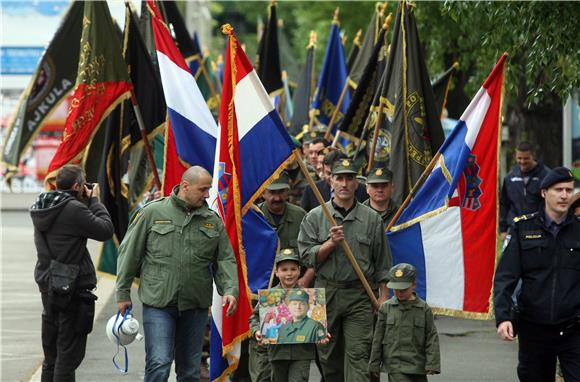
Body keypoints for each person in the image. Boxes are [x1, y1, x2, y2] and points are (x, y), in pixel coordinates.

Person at [115, 166, 239, 382]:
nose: (207, 195)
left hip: (195, 305)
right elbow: (129, 253)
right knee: (159, 362)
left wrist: (229, 289)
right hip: (159, 303)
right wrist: (122, 293)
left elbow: (224, 259)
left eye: (209, 189)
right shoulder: (152, 213)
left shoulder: (212, 220)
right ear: (185, 186)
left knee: (189, 370)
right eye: (202, 189)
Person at [298, 158, 392, 381]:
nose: (344, 184)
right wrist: (330, 243)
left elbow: (382, 264)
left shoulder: (371, 219)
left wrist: (383, 300)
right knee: (328, 357)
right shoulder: (315, 216)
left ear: (357, 183)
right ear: (331, 180)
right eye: (339, 178)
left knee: (359, 355)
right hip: (326, 293)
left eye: (350, 178)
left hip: (359, 296)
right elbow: (306, 258)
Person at [494, 167, 580, 381]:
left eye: (569, 190)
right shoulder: (523, 229)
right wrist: (503, 317)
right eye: (558, 189)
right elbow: (506, 276)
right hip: (534, 328)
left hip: (574, 328)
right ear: (544, 192)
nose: (564, 195)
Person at [30, 164, 114, 382]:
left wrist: (83, 201)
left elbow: (68, 224)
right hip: (71, 287)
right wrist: (95, 200)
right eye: (83, 182)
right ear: (77, 186)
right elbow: (105, 229)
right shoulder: (74, 210)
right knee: (68, 356)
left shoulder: (42, 205)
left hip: (49, 283)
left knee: (52, 355)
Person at [249, 249, 329, 382]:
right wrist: (256, 331)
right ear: (276, 272)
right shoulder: (270, 297)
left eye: (293, 269)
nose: (289, 274)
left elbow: (315, 321)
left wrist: (322, 334)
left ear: (299, 271)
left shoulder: (309, 296)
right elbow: (254, 317)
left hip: (301, 353)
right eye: (284, 270)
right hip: (277, 353)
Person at [369, 263, 441, 382]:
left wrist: (432, 364)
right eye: (396, 289)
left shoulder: (423, 309)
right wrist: (374, 364)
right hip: (395, 365)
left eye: (404, 289)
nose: (399, 293)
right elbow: (378, 338)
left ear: (413, 285)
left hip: (418, 364)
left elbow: (431, 337)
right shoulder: (386, 308)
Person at [499, 142, 550, 240]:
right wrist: (503, 229)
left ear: (533, 156)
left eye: (526, 158)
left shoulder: (546, 175)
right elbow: (504, 204)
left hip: (539, 228)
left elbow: (551, 203)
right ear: (515, 156)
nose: (522, 161)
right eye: (519, 158)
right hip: (514, 228)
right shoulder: (510, 177)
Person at [300, 150, 368, 213]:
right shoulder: (312, 190)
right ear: (323, 171)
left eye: (338, 175)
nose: (331, 178)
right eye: (329, 173)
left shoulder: (363, 190)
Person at [259, 171, 307, 252]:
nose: (277, 198)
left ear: (288, 192)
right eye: (272, 192)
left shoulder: (300, 216)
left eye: (281, 191)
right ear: (263, 193)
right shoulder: (255, 216)